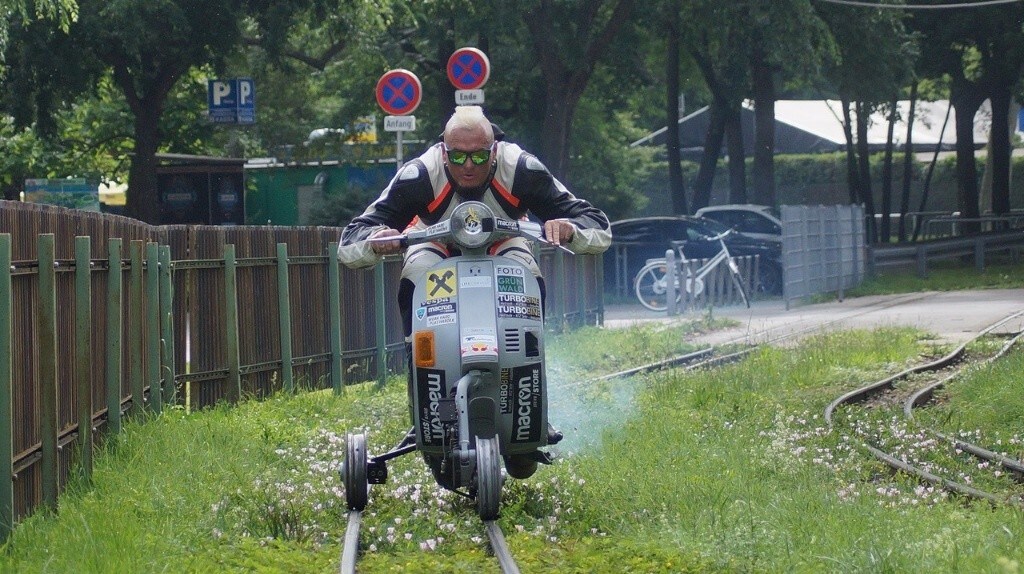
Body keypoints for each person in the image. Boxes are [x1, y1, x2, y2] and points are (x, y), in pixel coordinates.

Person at [337, 105, 611, 481]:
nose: (469, 166)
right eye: (458, 156)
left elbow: (596, 224)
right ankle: (424, 393)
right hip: (437, 246)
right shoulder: (420, 174)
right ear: (443, 152)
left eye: (480, 156)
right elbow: (353, 237)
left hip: (504, 242)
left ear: (494, 151)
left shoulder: (522, 168)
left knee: (526, 271)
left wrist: (569, 228)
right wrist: (374, 240)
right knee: (415, 271)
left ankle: (531, 407)